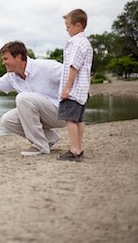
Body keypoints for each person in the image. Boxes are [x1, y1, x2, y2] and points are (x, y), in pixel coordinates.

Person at [57, 9, 93, 162]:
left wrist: (67, 87)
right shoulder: (85, 43)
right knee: (78, 119)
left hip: (73, 89)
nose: (67, 29)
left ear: (78, 26)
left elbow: (74, 66)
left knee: (70, 120)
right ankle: (79, 148)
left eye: (68, 26)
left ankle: (74, 150)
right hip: (81, 90)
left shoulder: (77, 43)